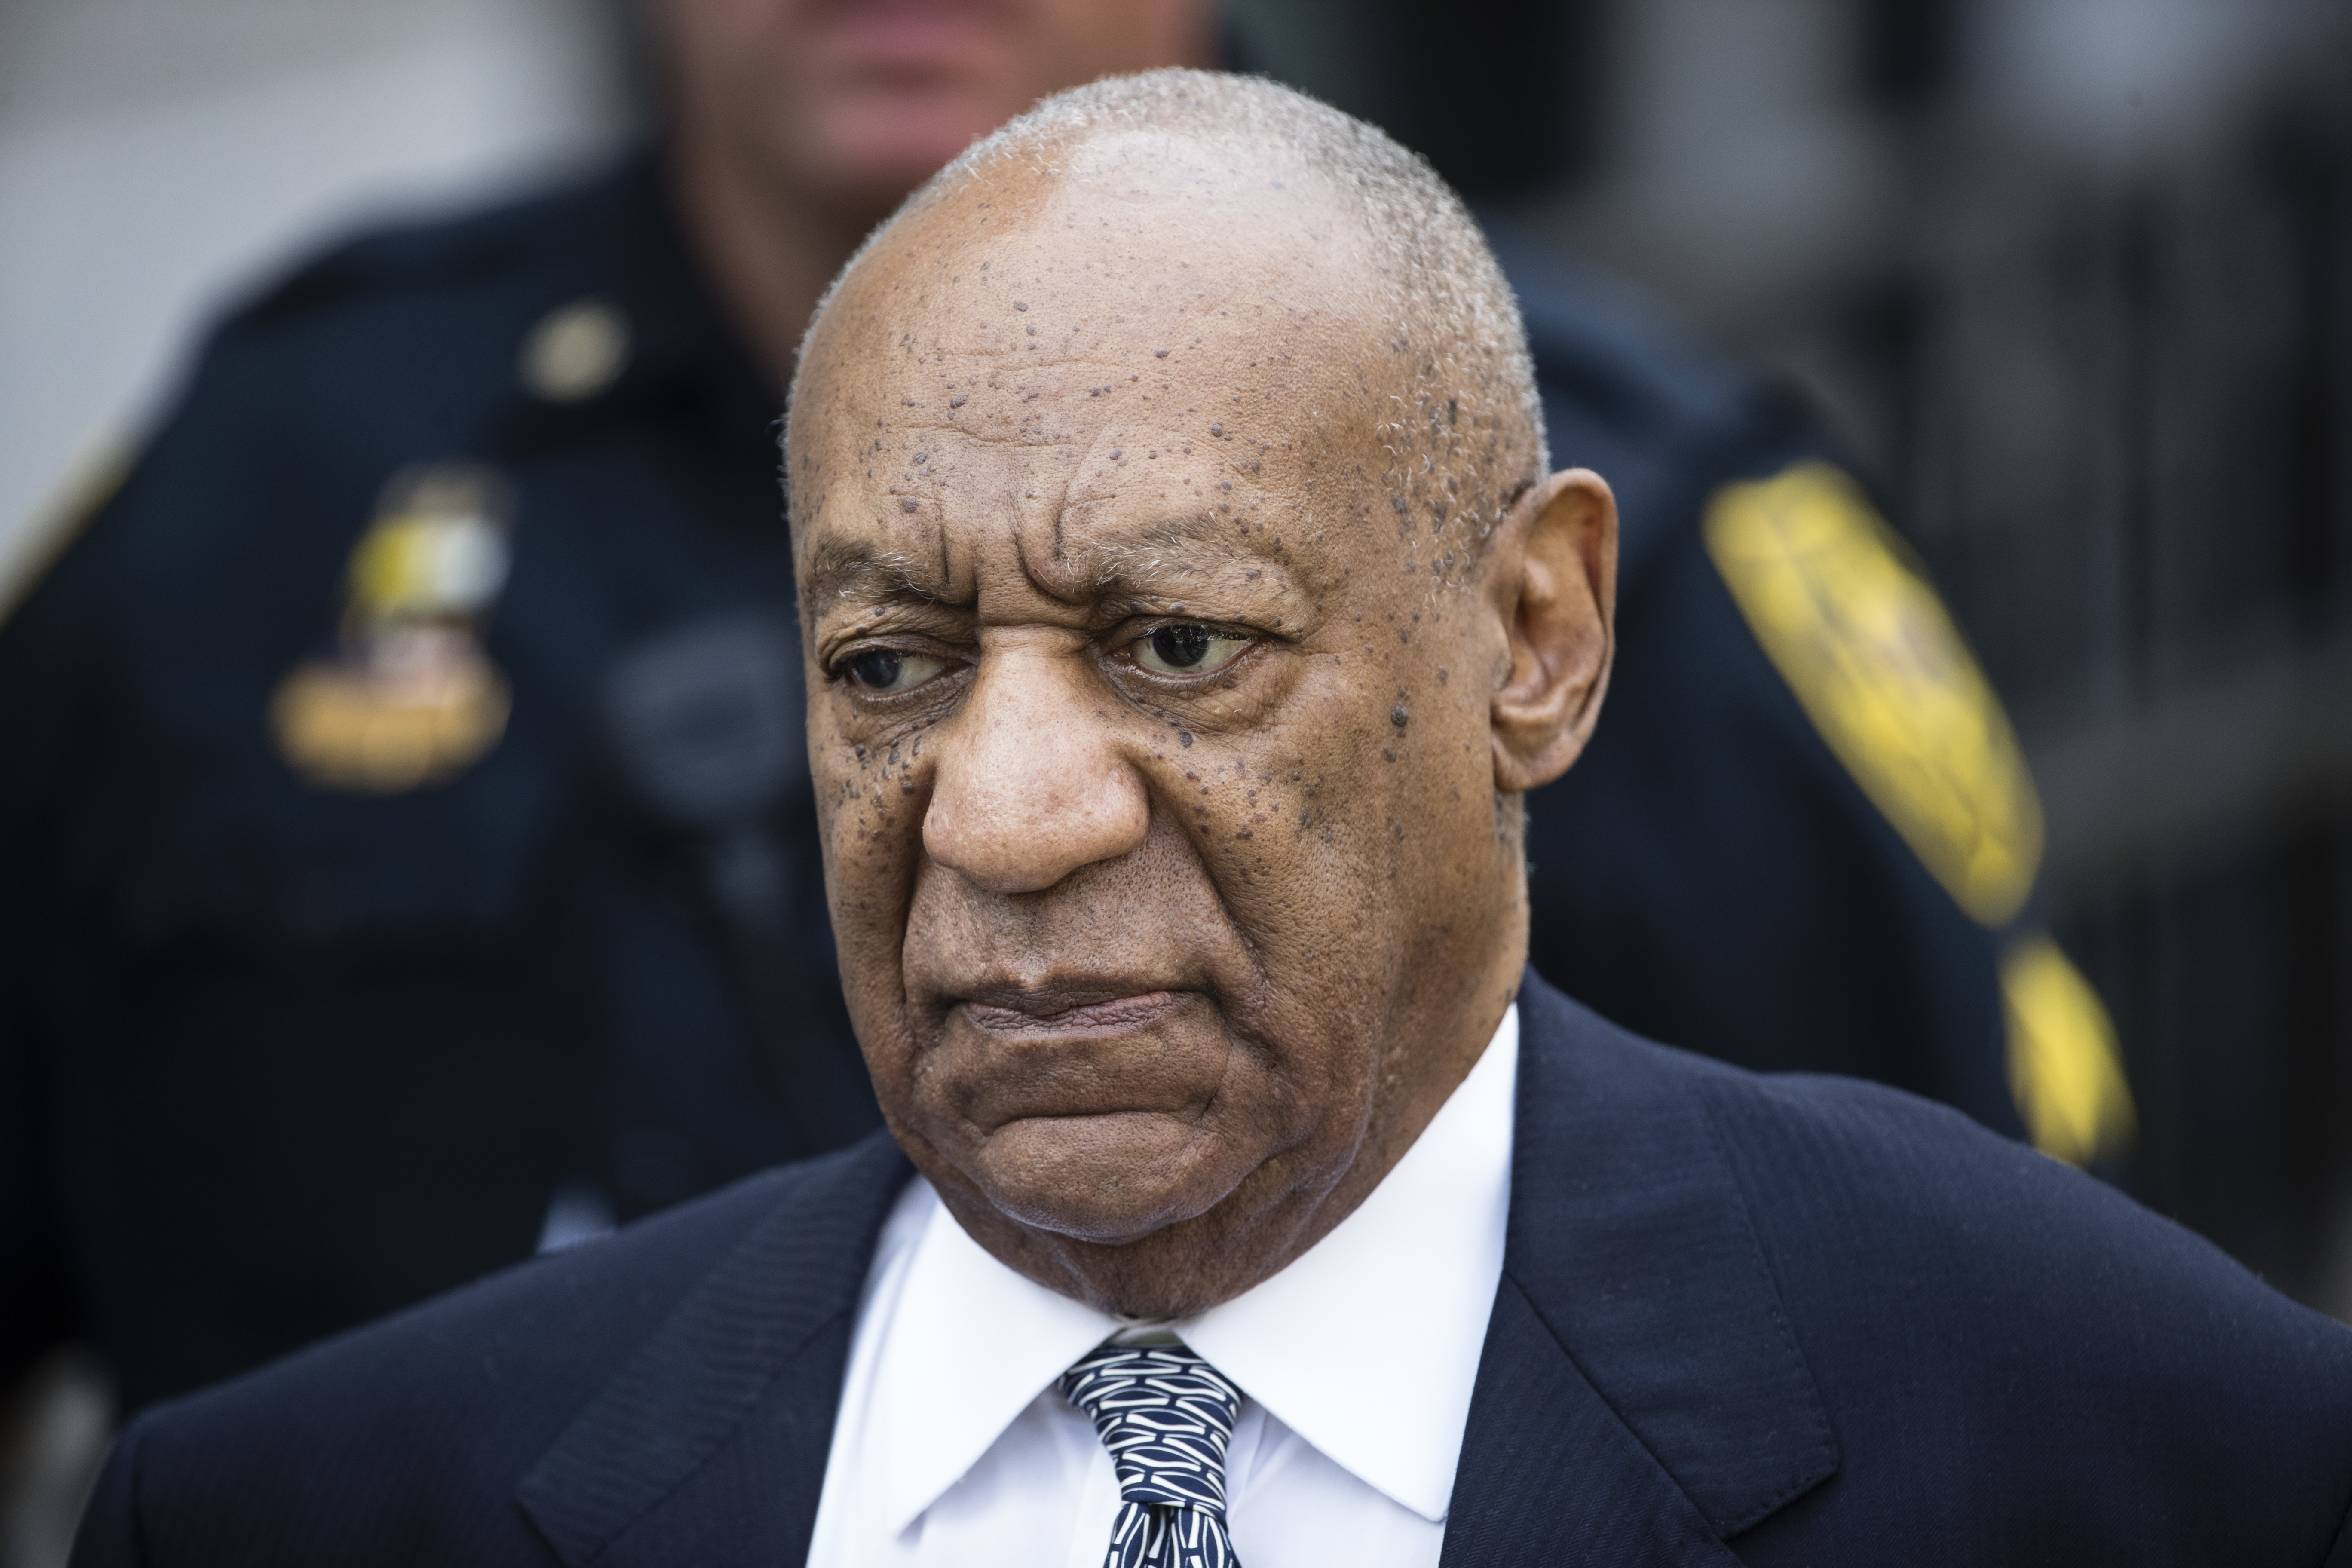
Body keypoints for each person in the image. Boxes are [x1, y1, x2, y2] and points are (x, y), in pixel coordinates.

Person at [69, 75, 2352, 1568]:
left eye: (1178, 647)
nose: (1006, 814)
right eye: (889, 669)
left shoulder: (2133, 1455)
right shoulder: (307, 1508)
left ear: (1537, 638)